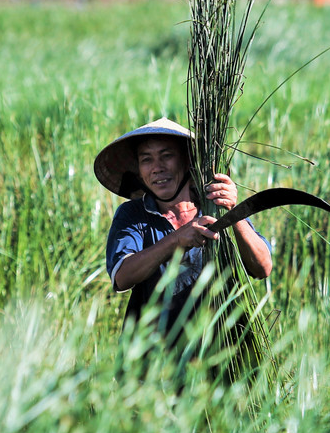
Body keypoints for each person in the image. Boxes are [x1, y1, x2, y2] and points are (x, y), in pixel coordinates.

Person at [94, 118, 272, 342]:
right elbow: (122, 277)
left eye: (166, 155)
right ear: (139, 172)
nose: (157, 168)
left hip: (218, 351)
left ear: (188, 162)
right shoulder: (132, 215)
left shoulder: (215, 208)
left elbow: (263, 267)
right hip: (153, 357)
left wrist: (232, 212)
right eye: (146, 159)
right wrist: (178, 239)